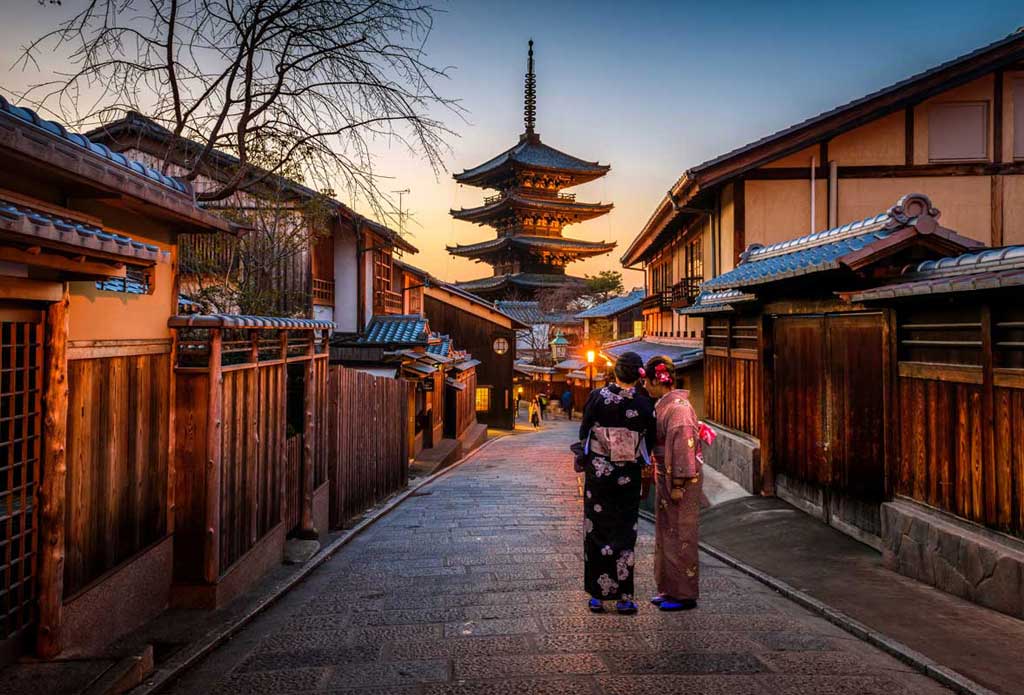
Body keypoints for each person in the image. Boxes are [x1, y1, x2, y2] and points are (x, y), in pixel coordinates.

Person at [577, 351, 656, 615]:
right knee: (624, 532)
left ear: (616, 372)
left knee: (596, 529)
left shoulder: (597, 397)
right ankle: (625, 597)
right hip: (628, 475)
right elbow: (650, 439)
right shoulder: (645, 403)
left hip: (600, 474)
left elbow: (585, 431)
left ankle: (597, 596)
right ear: (639, 375)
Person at [644, 355, 704, 611]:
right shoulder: (665, 404)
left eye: (646, 381)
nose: (644, 386)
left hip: (681, 480)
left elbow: (682, 449)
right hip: (666, 475)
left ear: (658, 380)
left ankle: (684, 594)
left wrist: (678, 483)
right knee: (666, 533)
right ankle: (668, 588)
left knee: (681, 534)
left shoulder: (678, 409)